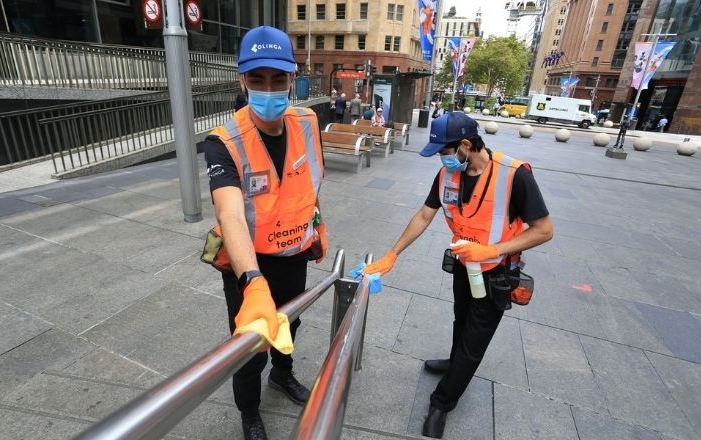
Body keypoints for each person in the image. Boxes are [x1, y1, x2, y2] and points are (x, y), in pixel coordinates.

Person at [363, 112, 553, 438]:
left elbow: (544, 230)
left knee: (474, 340)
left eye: (444, 151)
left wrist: (493, 251)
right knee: (460, 320)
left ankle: (442, 403)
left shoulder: (514, 176)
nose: (442, 158)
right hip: (464, 267)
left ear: (465, 145)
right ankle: (454, 364)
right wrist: (393, 254)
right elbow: (424, 216)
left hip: (496, 274)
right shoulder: (447, 176)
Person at [201, 26, 328, 440]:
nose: (269, 89)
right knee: (250, 343)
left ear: (293, 78)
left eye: (278, 79)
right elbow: (231, 215)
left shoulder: (308, 121)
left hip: (294, 254)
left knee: (290, 326)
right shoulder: (224, 142)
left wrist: (316, 227)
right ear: (242, 80)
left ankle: (283, 375)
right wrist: (252, 281)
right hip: (249, 264)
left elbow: (307, 184)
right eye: (258, 80)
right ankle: (249, 410)